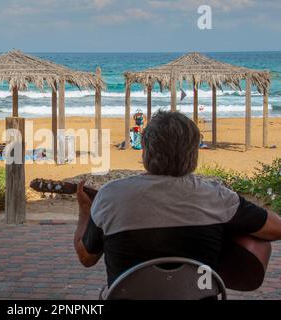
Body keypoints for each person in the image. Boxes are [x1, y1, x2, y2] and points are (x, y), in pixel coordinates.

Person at [74, 110, 281, 299]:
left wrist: (85, 211)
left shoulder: (110, 195)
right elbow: (276, 229)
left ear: (145, 150)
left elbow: (86, 258)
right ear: (194, 153)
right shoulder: (218, 197)